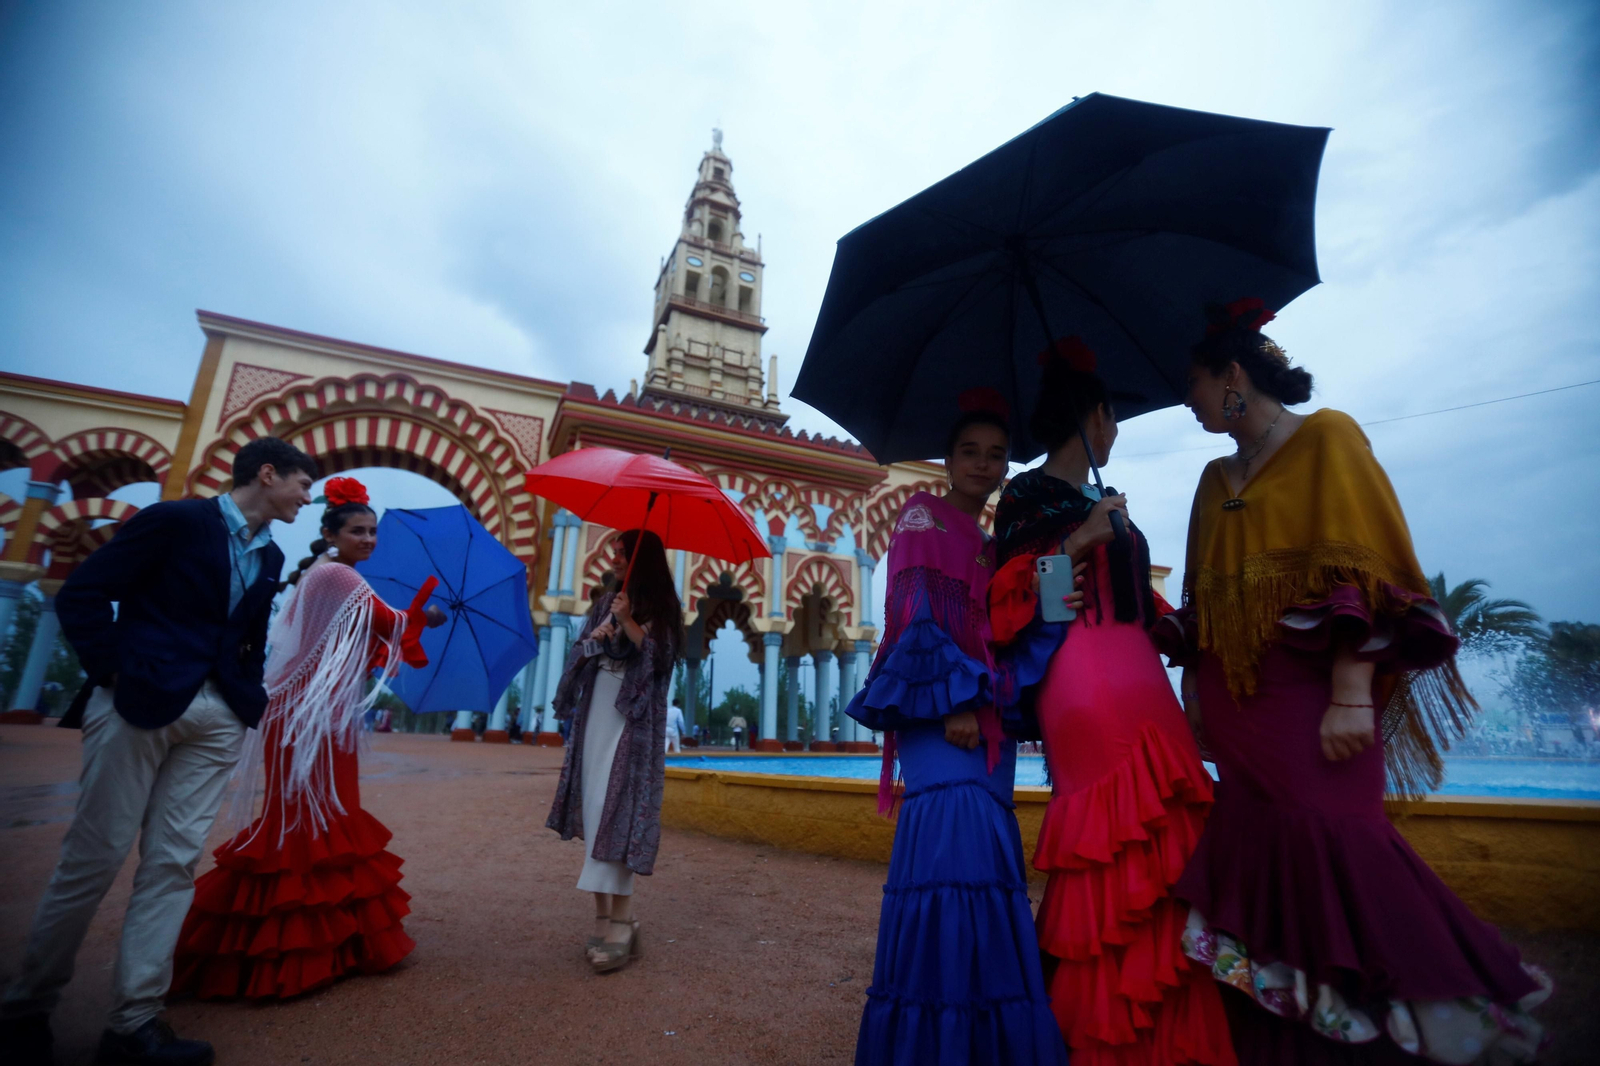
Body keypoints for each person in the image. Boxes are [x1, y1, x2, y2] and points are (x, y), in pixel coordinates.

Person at [1163, 300, 1550, 1063]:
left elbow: (1363, 575)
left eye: (1195, 384)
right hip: (1239, 717)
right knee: (1262, 863)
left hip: (1316, 707)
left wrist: (1350, 692)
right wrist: (1195, 694)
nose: (1189, 400)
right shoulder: (1212, 478)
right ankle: (1295, 1043)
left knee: (1345, 847)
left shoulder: (1328, 437)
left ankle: (1442, 1033)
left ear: (1233, 374)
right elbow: (1201, 606)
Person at [0, 438, 315, 1066]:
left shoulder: (272, 553)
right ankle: (25, 1011)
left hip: (216, 716)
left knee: (173, 863)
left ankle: (133, 1022)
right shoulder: (177, 520)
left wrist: (241, 699)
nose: (307, 498)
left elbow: (245, 636)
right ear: (268, 473)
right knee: (93, 858)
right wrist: (118, 672)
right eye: (302, 485)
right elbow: (83, 593)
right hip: (138, 701)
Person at [991, 338, 1235, 1066]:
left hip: (1142, 678)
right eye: (1112, 417)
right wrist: (1079, 541)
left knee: (1168, 848)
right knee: (1113, 849)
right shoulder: (1027, 497)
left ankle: (1177, 1036)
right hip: (1084, 680)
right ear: (1094, 417)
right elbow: (1014, 608)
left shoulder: (1105, 494)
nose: (1116, 430)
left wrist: (1183, 628)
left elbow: (1138, 603)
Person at [844, 397, 1073, 1066]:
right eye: (969, 449)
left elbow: (1026, 627)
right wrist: (953, 702)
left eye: (996, 452)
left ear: (1008, 465)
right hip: (942, 720)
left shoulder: (994, 544)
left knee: (987, 876)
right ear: (948, 460)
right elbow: (915, 613)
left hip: (989, 730)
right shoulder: (922, 517)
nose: (982, 462)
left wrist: (1073, 549)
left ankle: (978, 1043)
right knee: (954, 867)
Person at [169, 476, 445, 1001]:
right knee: (305, 822)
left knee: (320, 821)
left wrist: (408, 622)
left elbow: (361, 643)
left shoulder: (328, 577)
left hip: (315, 718)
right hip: (305, 721)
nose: (368, 539)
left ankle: (327, 943)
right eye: (358, 530)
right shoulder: (339, 576)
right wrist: (426, 614)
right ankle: (285, 951)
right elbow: (391, 623)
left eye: (372, 532)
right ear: (329, 533)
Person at [546, 529, 682, 974]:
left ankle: (622, 921)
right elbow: (580, 652)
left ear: (642, 561)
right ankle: (604, 918)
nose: (616, 559)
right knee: (593, 805)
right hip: (597, 713)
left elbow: (660, 661)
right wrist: (599, 638)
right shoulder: (607, 601)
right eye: (617, 553)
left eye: (623, 554)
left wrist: (626, 624)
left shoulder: (661, 609)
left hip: (633, 721)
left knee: (615, 809)